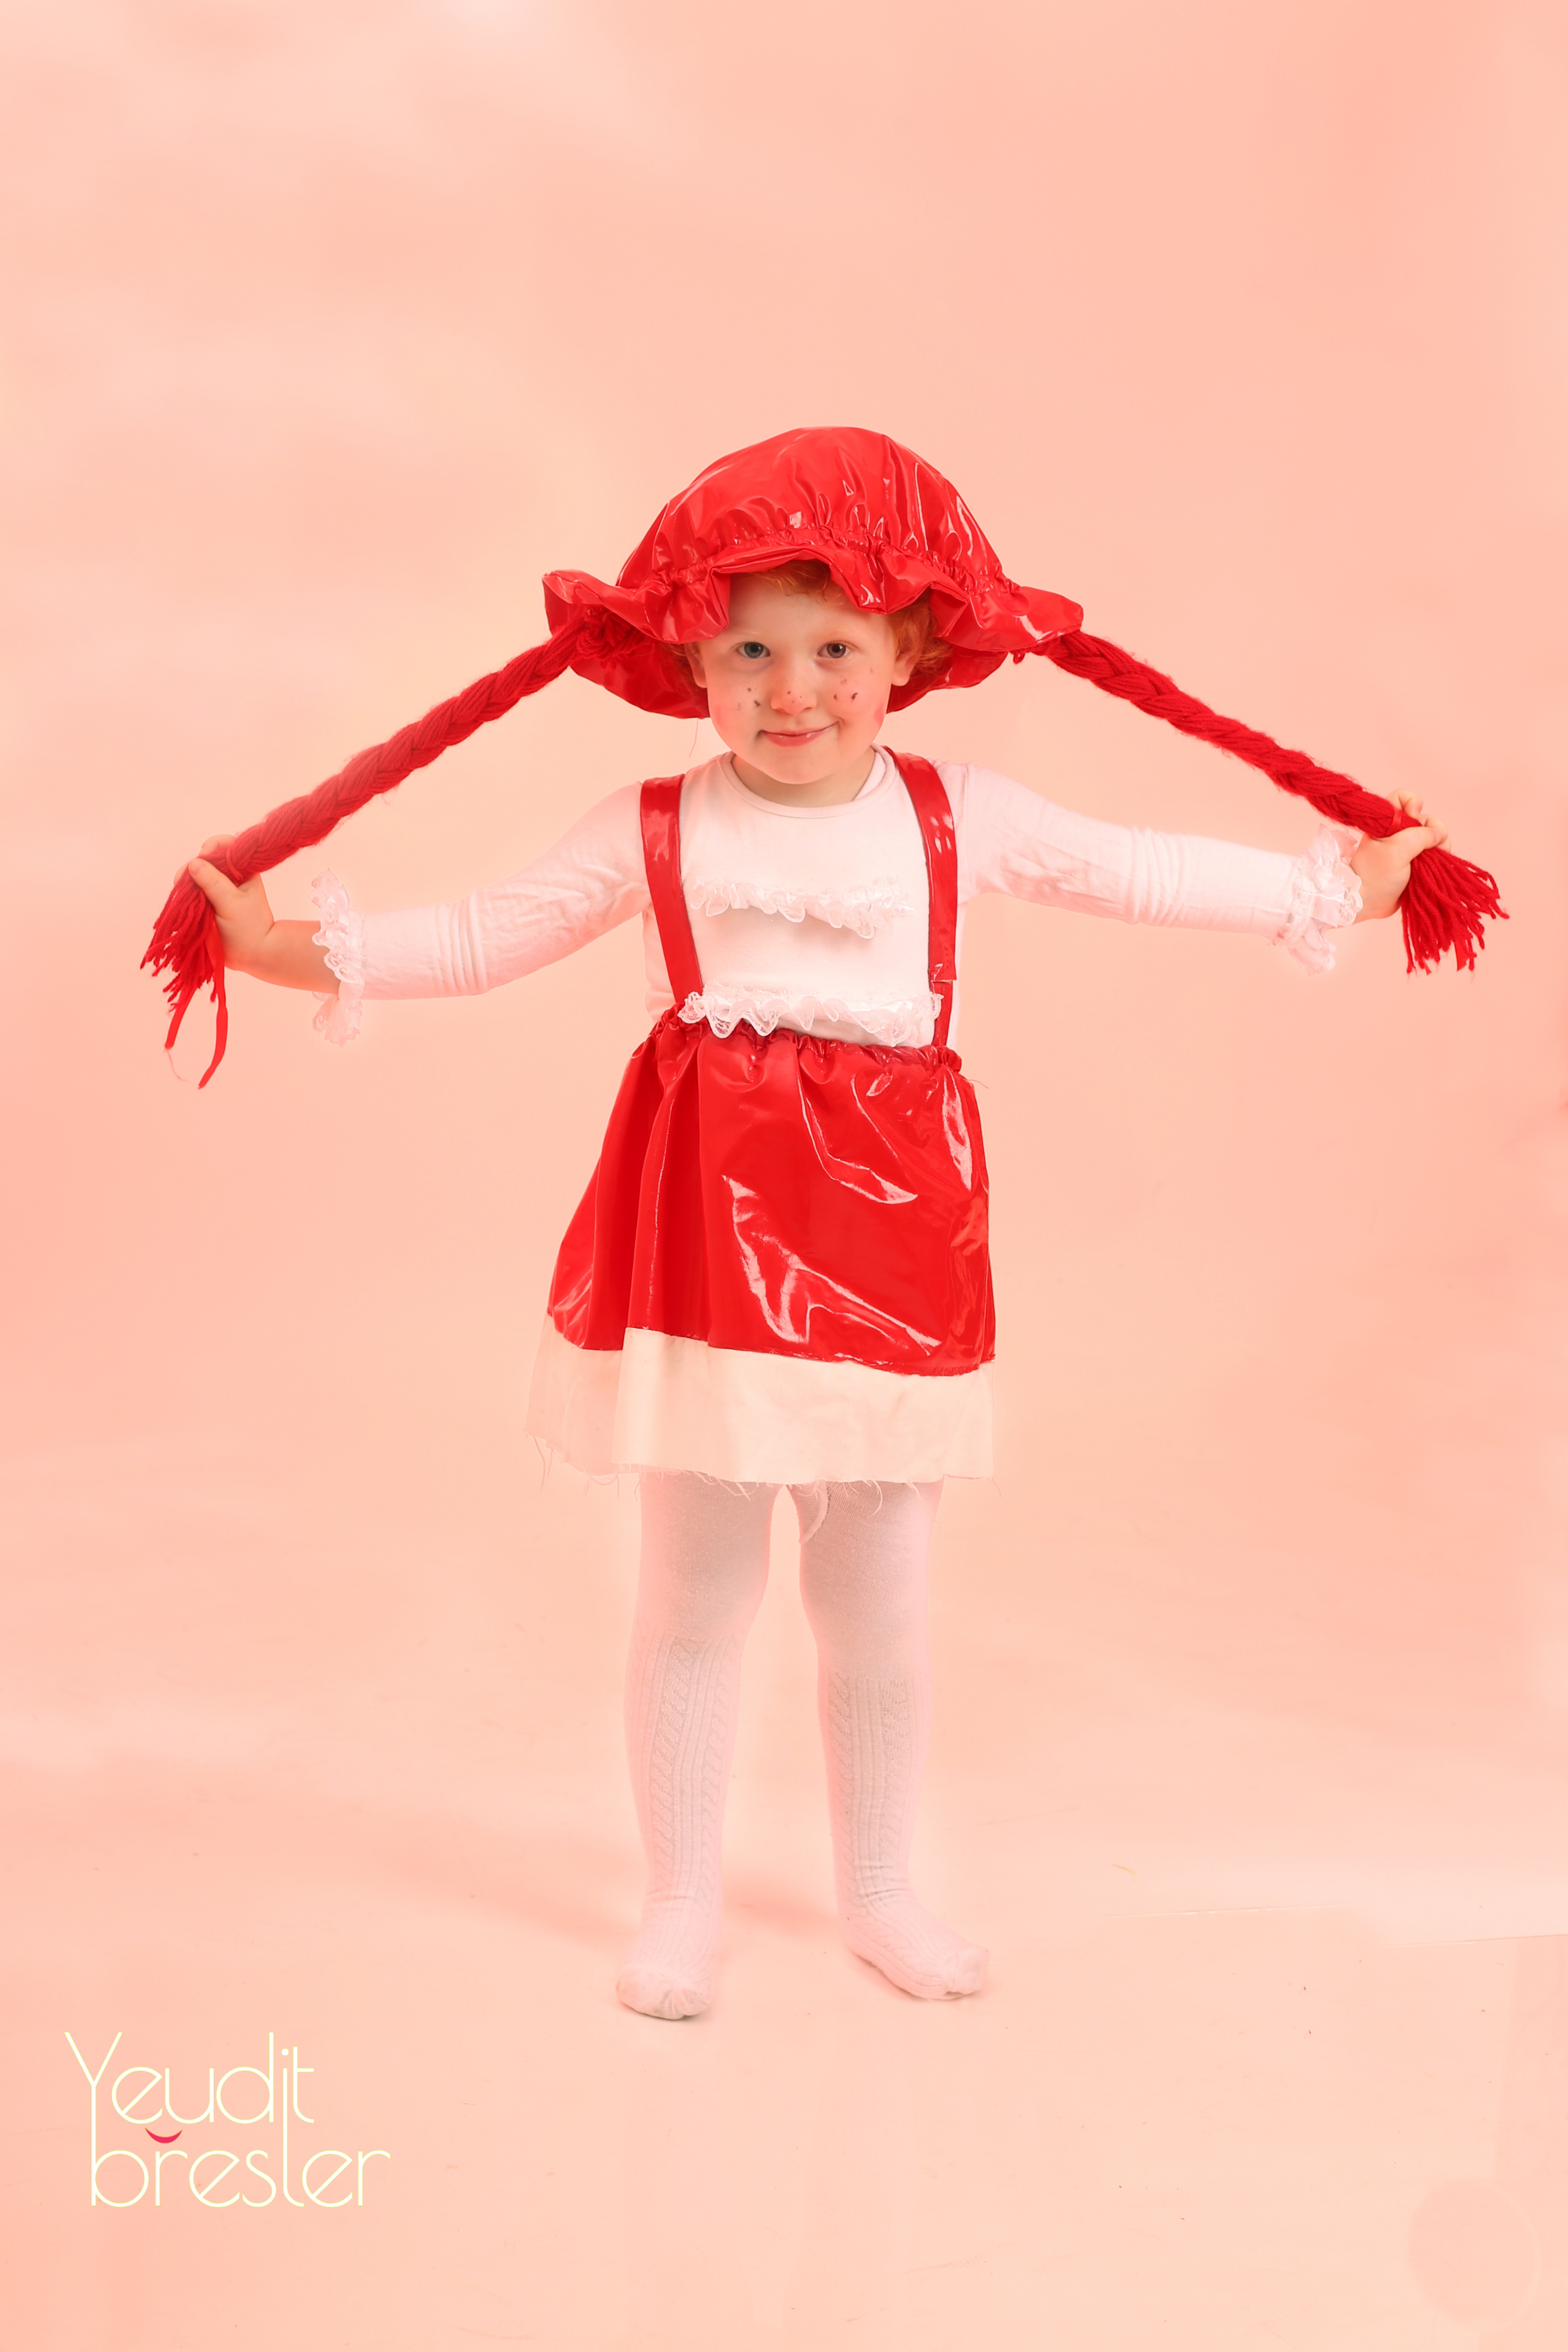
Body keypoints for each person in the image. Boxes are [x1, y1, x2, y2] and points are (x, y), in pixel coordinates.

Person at [170, 428, 1471, 2022]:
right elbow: (484, 935)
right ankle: (679, 1904)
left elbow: (1137, 871)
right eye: (750, 653)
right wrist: (277, 950)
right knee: (695, 1597)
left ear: (908, 653)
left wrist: (1339, 889)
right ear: (691, 664)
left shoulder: (958, 814)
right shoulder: (654, 825)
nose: (793, 691)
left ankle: (883, 1893)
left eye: (835, 649)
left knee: (879, 1603)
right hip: (706, 1257)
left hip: (894, 1250)